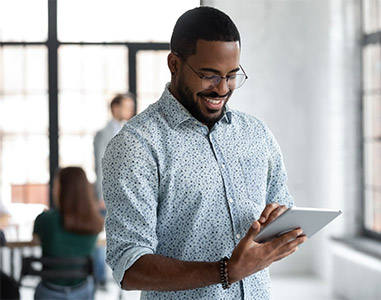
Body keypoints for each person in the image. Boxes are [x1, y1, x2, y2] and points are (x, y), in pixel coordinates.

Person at [102, 6, 307, 299]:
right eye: (209, 75)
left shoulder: (255, 134)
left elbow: (283, 206)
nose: (222, 89)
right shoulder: (137, 145)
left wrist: (280, 225)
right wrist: (226, 271)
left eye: (232, 75)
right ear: (174, 64)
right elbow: (129, 266)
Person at [32, 167, 104, 300]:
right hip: (83, 292)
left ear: (61, 189)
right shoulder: (95, 221)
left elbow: (35, 240)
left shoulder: (45, 219)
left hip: (50, 292)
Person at [93, 93, 135, 289]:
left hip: (127, 194)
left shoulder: (131, 131)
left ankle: (125, 274)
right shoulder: (104, 133)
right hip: (108, 195)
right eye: (127, 106)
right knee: (102, 237)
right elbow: (100, 165)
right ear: (115, 108)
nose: (130, 110)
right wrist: (101, 195)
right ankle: (101, 277)